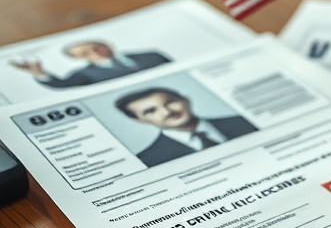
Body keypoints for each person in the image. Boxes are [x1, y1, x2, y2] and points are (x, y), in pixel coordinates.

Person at [115, 87, 256, 168]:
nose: (167, 112)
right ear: (138, 119)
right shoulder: (148, 160)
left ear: (186, 100)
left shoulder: (244, 121)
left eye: (170, 103)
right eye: (151, 111)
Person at [10, 41, 170, 88]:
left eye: (96, 47)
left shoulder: (151, 55)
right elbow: (62, 84)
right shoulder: (85, 75)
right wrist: (39, 72)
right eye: (86, 53)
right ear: (79, 58)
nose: (95, 53)